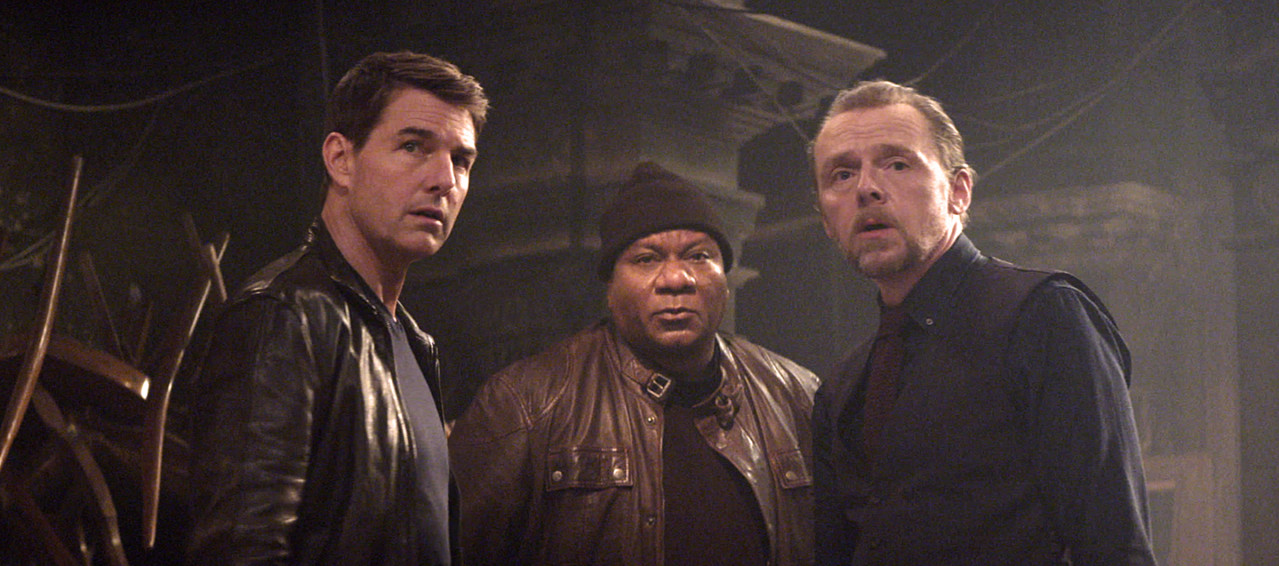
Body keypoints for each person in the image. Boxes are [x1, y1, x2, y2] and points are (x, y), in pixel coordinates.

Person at [809, 79, 1157, 565]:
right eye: (842, 174)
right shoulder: (844, 384)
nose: (866, 188)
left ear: (958, 191)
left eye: (897, 164)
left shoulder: (1042, 315)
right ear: (826, 220)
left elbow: (1113, 541)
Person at [185, 51, 487, 565]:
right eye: (413, 146)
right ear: (340, 159)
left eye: (461, 160)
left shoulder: (411, 341)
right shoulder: (285, 315)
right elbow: (239, 550)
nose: (445, 179)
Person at [448, 162, 820, 565]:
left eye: (699, 256)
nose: (676, 279)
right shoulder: (528, 403)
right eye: (646, 259)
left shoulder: (795, 394)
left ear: (724, 278)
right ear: (610, 287)